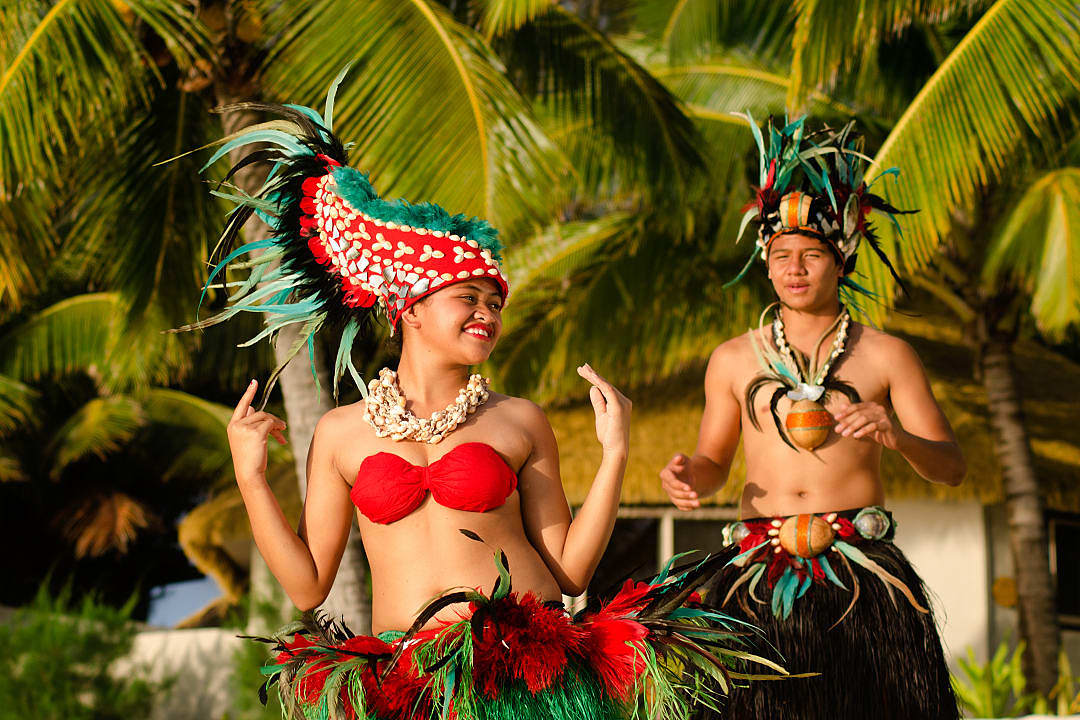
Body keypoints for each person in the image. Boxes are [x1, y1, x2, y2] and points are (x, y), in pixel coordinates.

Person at [182, 72, 777, 720]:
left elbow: (571, 573)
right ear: (407, 308)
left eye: (494, 303)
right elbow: (307, 583)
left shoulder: (517, 419)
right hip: (409, 678)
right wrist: (252, 478)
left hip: (530, 673)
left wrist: (614, 455)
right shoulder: (340, 433)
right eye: (468, 298)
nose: (487, 315)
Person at [660, 116, 966, 720]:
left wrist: (896, 435)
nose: (794, 269)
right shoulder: (731, 359)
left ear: (842, 260)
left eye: (811, 255)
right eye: (781, 256)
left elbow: (951, 468)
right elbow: (715, 462)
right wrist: (690, 476)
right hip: (757, 573)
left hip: (861, 577)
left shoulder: (887, 355)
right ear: (765, 263)